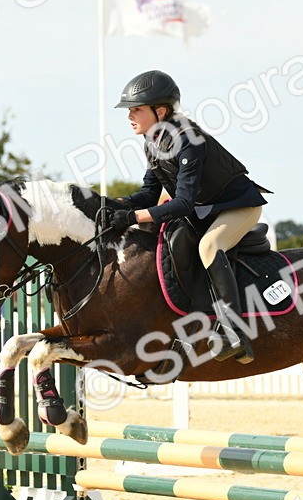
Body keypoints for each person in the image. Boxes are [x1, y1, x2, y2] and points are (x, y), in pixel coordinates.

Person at [109, 70, 269, 364]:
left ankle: (234, 330)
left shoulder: (188, 140)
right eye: (129, 110)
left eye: (136, 109)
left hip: (238, 207)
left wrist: (131, 216)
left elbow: (182, 202)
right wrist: (110, 205)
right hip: (206, 210)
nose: (130, 116)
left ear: (160, 110)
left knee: (210, 246)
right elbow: (148, 193)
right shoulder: (153, 141)